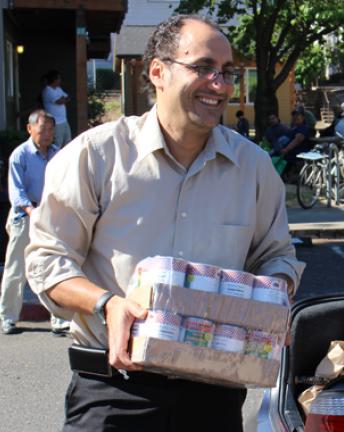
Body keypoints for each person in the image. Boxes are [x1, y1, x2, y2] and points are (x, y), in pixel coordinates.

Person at [25, 15, 304, 431]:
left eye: (226, 73)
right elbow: (48, 261)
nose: (220, 84)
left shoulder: (254, 167)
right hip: (114, 392)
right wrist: (108, 304)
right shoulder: (97, 156)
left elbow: (276, 256)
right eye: (203, 67)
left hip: (215, 394)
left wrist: (271, 299)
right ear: (158, 71)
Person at [0, 109, 68, 335]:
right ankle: (8, 318)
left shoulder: (58, 154)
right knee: (16, 269)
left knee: (53, 268)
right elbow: (17, 193)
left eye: (51, 129)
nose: (47, 134)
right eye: (42, 129)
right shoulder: (20, 155)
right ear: (30, 129)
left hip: (50, 218)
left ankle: (59, 319)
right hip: (25, 217)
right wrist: (33, 212)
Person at [41, 70, 72, 147]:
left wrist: (63, 99)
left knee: (68, 143)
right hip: (55, 123)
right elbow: (59, 101)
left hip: (64, 121)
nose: (60, 80)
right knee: (57, 145)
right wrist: (62, 99)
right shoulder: (48, 91)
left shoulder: (58, 89)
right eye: (59, 79)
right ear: (54, 80)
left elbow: (68, 98)